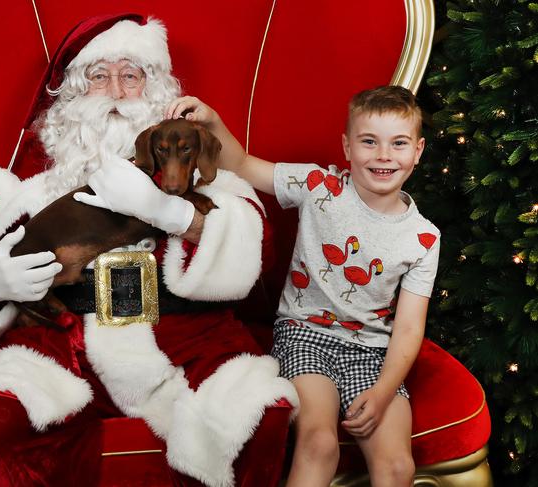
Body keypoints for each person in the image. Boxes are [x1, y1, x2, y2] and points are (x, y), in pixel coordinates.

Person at [0, 14, 297, 487]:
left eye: (130, 75)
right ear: (72, 96)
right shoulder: (36, 192)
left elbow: (259, 247)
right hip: (65, 346)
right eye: (98, 76)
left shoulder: (203, 174)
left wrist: (170, 213)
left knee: (260, 414)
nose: (114, 90)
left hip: (188, 344)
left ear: (156, 88)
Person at [171, 85, 440, 486]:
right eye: (370, 142)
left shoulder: (423, 237)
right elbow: (243, 164)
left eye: (398, 144)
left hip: (373, 354)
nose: (384, 155)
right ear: (347, 147)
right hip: (305, 336)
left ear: (417, 152)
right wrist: (212, 122)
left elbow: (408, 326)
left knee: (398, 466)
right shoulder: (319, 186)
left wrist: (384, 390)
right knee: (319, 443)